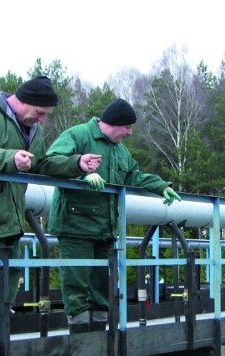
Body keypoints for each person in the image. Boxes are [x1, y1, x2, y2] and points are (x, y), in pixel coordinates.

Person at [0, 75, 102, 346]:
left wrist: (77, 164)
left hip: (8, 224)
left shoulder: (32, 129)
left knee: (2, 299)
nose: (42, 119)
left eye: (45, 115)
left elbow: (41, 164)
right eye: (40, 112)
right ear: (23, 101)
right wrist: (10, 158)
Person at [46, 98, 181, 334]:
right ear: (114, 123)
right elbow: (51, 161)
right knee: (76, 282)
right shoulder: (78, 136)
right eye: (127, 127)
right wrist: (80, 170)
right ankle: (79, 339)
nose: (129, 133)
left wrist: (161, 186)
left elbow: (134, 176)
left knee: (101, 284)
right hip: (75, 226)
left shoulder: (120, 151)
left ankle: (99, 337)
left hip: (104, 229)